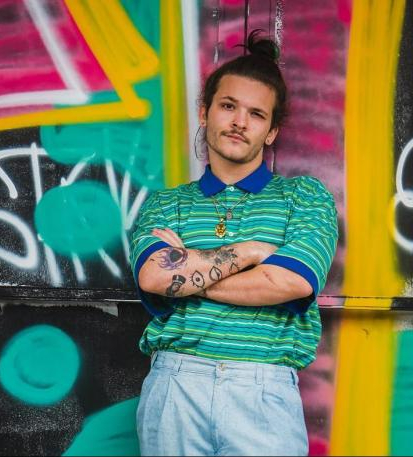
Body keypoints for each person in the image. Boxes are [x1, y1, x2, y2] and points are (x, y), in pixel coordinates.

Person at [129, 30, 338, 456]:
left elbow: (293, 282)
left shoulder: (305, 197)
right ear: (205, 113)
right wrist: (252, 253)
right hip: (176, 384)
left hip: (263, 390)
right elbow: (154, 275)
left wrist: (188, 270)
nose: (239, 122)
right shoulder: (167, 204)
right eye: (228, 106)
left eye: (256, 114)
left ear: (272, 131)